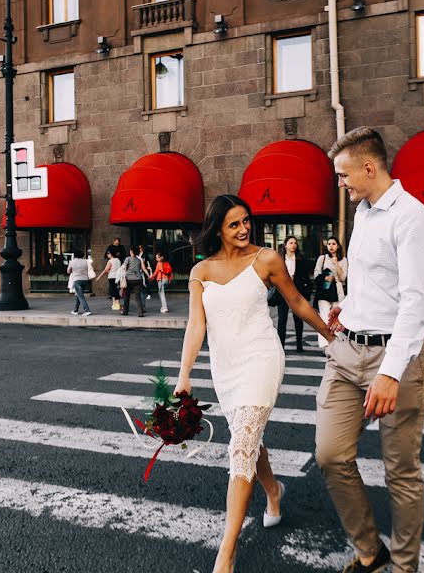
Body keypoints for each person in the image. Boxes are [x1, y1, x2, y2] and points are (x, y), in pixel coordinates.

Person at [174, 194, 333, 573]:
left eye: (246, 220)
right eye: (234, 224)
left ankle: (226, 553)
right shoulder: (201, 272)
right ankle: (273, 491)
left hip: (262, 358)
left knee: (241, 445)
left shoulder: (266, 259)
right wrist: (185, 374)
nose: (244, 228)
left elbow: (297, 302)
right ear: (218, 229)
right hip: (226, 367)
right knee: (249, 438)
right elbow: (197, 326)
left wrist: (332, 336)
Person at [320, 127, 424, 573]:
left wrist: (389, 373)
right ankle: (371, 550)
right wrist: (346, 310)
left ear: (369, 168)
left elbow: (414, 302)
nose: (340, 183)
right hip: (348, 351)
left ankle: (404, 566)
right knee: (330, 454)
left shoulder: (411, 217)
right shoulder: (365, 214)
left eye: (343, 174)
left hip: (398, 361)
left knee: (400, 472)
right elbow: (373, 282)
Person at [276, 236, 313, 352]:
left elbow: (306, 278)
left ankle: (299, 345)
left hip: (297, 293)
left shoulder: (301, 259)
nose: (294, 245)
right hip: (282, 293)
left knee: (298, 319)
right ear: (285, 245)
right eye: (291, 243)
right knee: (282, 320)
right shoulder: (279, 259)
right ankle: (281, 345)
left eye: (295, 243)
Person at [314, 237, 349, 347]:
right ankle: (325, 344)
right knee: (324, 317)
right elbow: (316, 273)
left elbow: (343, 277)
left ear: (338, 246)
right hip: (325, 290)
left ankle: (337, 342)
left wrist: (336, 264)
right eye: (329, 244)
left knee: (337, 318)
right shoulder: (322, 258)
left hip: (338, 291)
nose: (331, 246)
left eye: (333, 244)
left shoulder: (343, 260)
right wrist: (325, 278)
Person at [121, 247, 147, 317]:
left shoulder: (128, 259)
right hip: (138, 279)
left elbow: (124, 267)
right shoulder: (139, 260)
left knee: (127, 296)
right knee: (138, 297)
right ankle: (140, 312)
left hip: (129, 279)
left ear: (131, 251)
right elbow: (142, 268)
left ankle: (125, 312)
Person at [67, 248, 92, 316]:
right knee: (79, 295)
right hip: (85, 280)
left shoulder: (72, 262)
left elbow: (68, 271)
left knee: (80, 296)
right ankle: (75, 310)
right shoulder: (86, 261)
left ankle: (87, 310)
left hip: (77, 280)